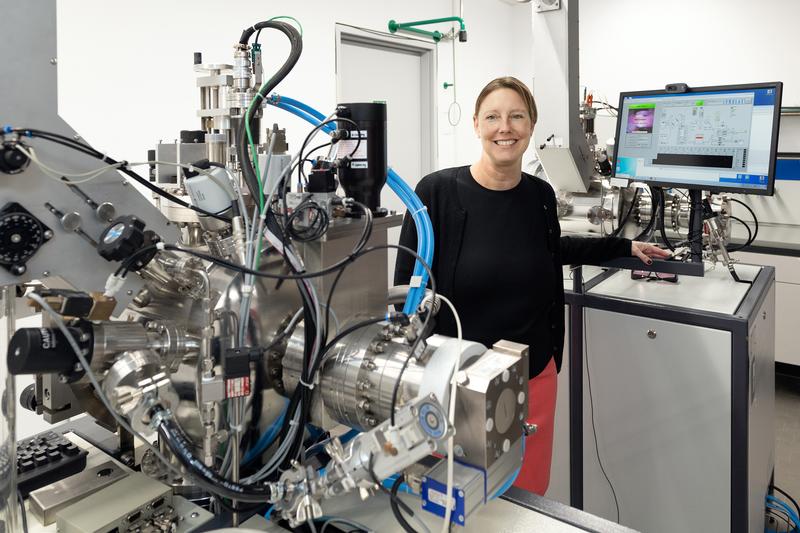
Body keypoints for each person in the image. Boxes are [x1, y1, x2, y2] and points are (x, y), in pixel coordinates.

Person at [394, 76, 669, 495]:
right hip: (453, 385)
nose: (505, 128)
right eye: (493, 117)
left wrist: (624, 245)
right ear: (476, 124)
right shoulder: (435, 193)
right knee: (451, 500)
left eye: (516, 117)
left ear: (531, 125)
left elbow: (549, 248)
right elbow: (405, 292)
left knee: (524, 497)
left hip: (531, 377)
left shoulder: (540, 195)